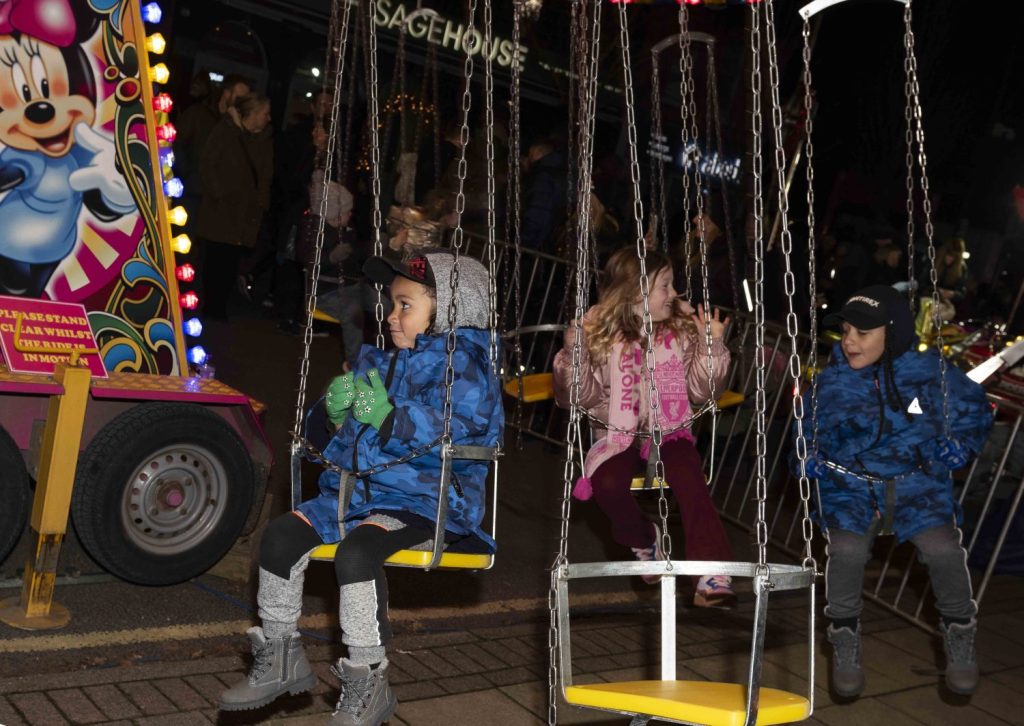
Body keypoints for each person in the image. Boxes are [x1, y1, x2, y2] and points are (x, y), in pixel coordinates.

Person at [219, 251, 503, 724]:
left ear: (449, 311)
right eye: (392, 304)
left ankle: (367, 678)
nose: (391, 316)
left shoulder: (467, 369)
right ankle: (281, 653)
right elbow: (337, 440)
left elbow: (459, 423)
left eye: (405, 305)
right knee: (282, 535)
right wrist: (328, 417)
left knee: (357, 553)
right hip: (355, 495)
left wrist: (391, 418)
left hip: (426, 499)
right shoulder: (379, 363)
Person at [798, 284, 993, 698]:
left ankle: (960, 632)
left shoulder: (927, 373)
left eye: (862, 333)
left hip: (915, 482)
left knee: (943, 549)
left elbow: (972, 409)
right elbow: (805, 428)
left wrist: (960, 443)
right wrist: (806, 455)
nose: (849, 341)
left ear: (893, 333)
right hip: (851, 485)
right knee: (846, 551)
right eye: (846, 330)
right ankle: (844, 636)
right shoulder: (832, 382)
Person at [551, 247, 736, 608]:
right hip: (618, 435)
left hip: (671, 430)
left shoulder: (682, 332)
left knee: (689, 476)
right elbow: (578, 397)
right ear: (637, 293)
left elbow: (703, 391)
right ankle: (645, 540)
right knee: (606, 484)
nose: (674, 294)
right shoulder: (600, 334)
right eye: (665, 286)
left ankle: (711, 572)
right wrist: (574, 354)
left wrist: (711, 346)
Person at [196, 92, 273, 319]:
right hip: (223, 210)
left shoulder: (262, 140)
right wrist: (220, 192)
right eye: (265, 114)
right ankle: (213, 307)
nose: (268, 118)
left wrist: (260, 201)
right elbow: (208, 164)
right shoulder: (225, 132)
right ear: (253, 114)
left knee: (229, 262)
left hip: (243, 212)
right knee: (217, 260)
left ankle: (218, 306)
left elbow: (263, 175)